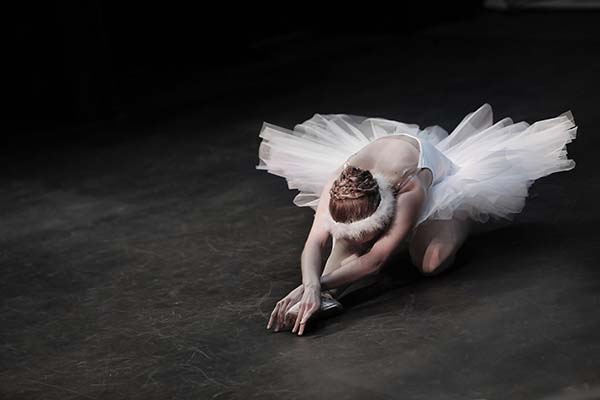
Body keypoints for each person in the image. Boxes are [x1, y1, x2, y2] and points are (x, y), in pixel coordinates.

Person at [256, 104, 577, 335]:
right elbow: (315, 242)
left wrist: (312, 285)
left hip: (441, 184)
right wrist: (310, 286)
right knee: (343, 249)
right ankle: (319, 299)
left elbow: (377, 260)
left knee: (430, 264)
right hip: (379, 184)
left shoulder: (410, 187)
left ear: (386, 208)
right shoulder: (337, 184)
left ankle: (456, 219)